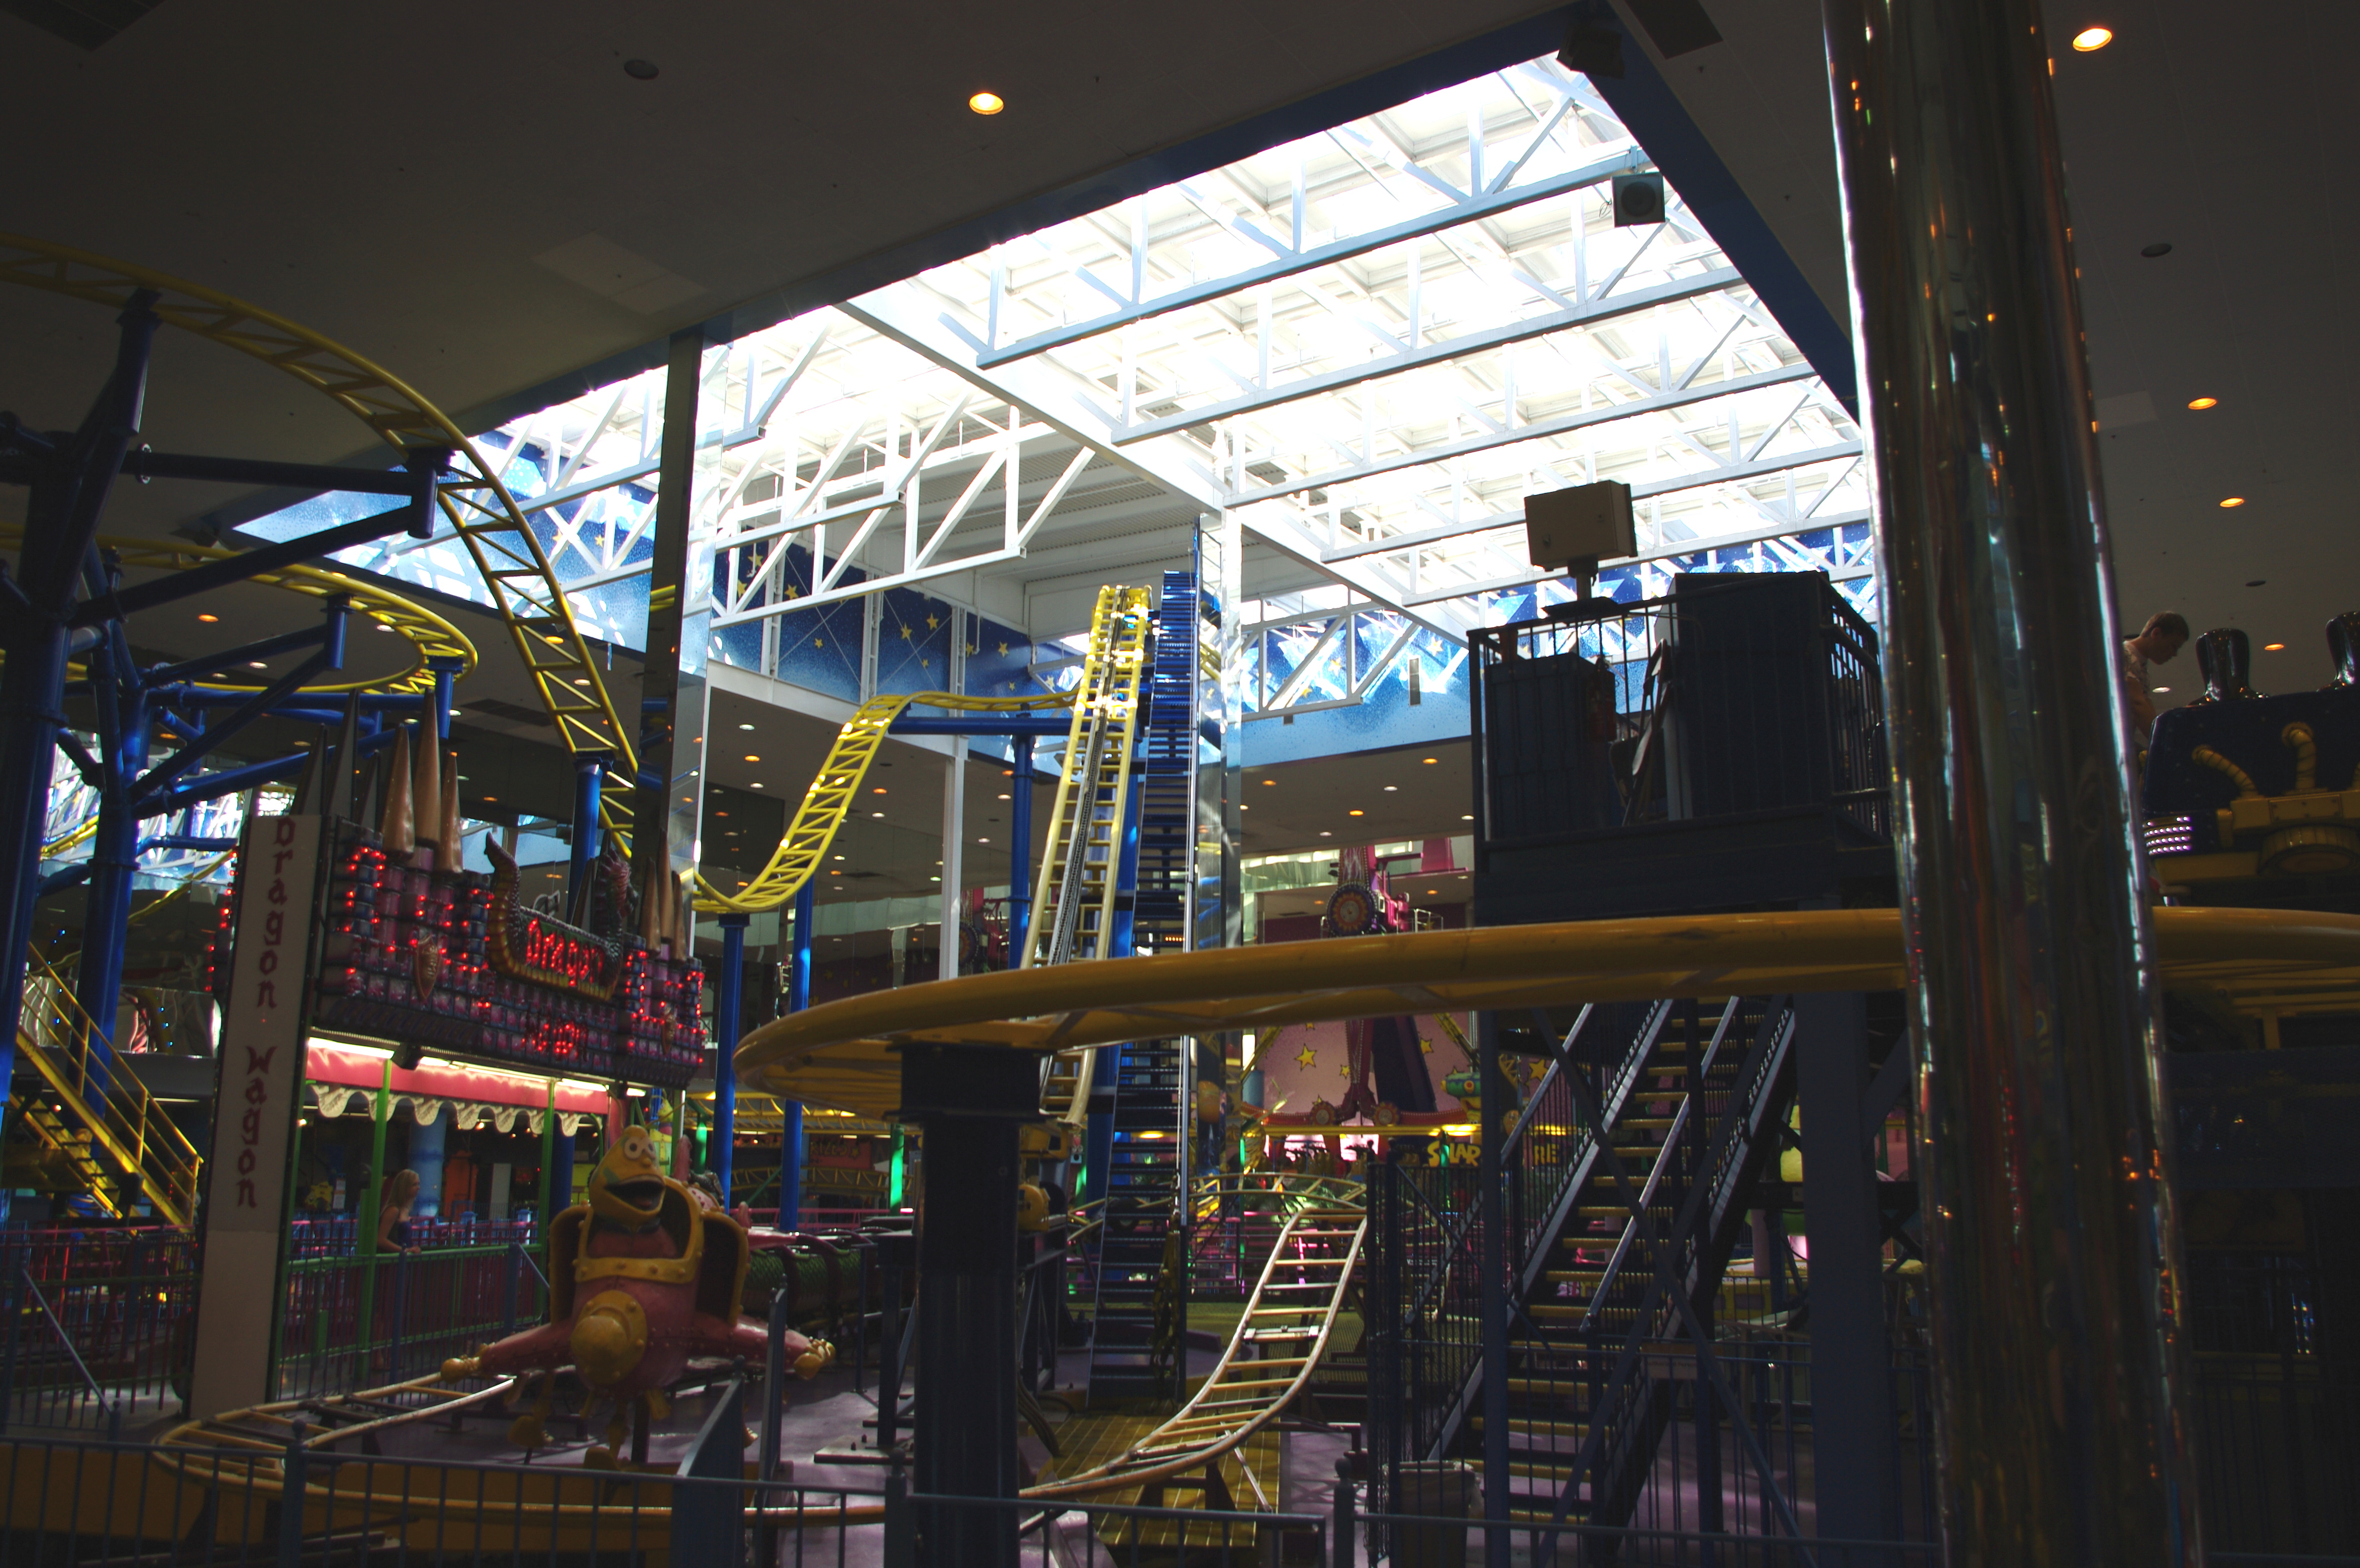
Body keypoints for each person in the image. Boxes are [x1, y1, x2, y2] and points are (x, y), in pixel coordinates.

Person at [2121, 611, 2190, 749]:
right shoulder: (2123, 655)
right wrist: (2171, 746)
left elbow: (2146, 707)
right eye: (2173, 646)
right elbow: (2138, 705)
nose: (2175, 654)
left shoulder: (2140, 668)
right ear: (2156, 634)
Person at [377, 1168, 422, 1256]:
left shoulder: (405, 1210)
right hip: (392, 1260)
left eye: (418, 1184)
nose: (418, 1188)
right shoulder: (393, 1210)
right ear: (404, 1187)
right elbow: (380, 1240)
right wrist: (405, 1250)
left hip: (402, 1258)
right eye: (414, 1185)